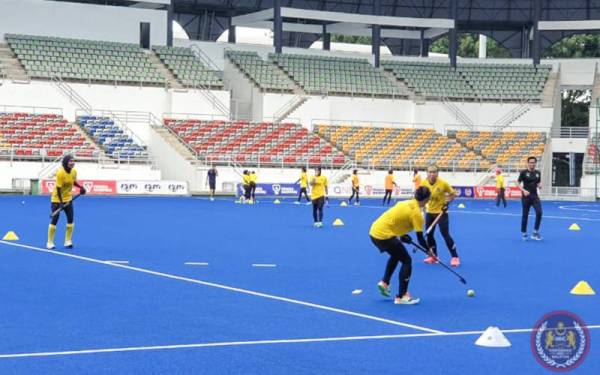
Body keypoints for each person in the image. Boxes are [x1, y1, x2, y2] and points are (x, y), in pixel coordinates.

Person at [369, 186, 432, 305]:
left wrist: (403, 236)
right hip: (384, 235)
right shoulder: (417, 214)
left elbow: (397, 221)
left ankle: (384, 282)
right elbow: (420, 239)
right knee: (407, 260)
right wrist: (429, 251)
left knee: (396, 255)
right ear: (426, 199)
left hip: (374, 231)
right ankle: (401, 296)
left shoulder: (405, 202)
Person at [419, 165, 461, 267]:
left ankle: (455, 257)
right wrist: (422, 209)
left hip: (442, 213)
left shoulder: (443, 184)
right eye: (430, 172)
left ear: (437, 173)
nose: (432, 174)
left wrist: (447, 203)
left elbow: (453, 194)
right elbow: (421, 197)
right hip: (430, 212)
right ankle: (434, 257)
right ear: (427, 173)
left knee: (445, 235)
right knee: (429, 235)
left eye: (434, 172)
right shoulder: (423, 183)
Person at [47, 155, 86, 250]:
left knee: (70, 219)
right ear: (65, 162)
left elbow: (73, 182)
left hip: (68, 199)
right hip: (57, 199)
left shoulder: (74, 171)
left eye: (73, 161)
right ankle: (49, 242)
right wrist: (60, 203)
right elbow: (58, 188)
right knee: (55, 219)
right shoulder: (60, 173)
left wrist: (80, 187)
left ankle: (68, 241)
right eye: (70, 161)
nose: (72, 162)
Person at [518, 156, 543, 241]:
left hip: (535, 196)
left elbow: (538, 182)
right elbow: (517, 183)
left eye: (533, 162)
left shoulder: (538, 173)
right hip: (526, 197)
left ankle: (535, 232)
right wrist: (523, 190)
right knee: (525, 215)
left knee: (539, 212)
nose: (532, 164)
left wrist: (540, 185)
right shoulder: (523, 173)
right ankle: (524, 233)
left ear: (536, 163)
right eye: (530, 162)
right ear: (528, 163)